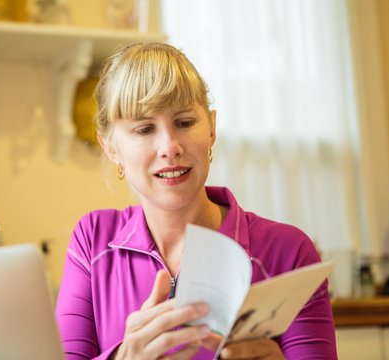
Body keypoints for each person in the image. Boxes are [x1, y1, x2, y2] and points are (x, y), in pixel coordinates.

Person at [56, 42, 337, 360]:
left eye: (185, 123)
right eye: (145, 129)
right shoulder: (92, 240)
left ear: (212, 128)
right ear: (111, 149)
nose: (170, 146)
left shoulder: (290, 253)